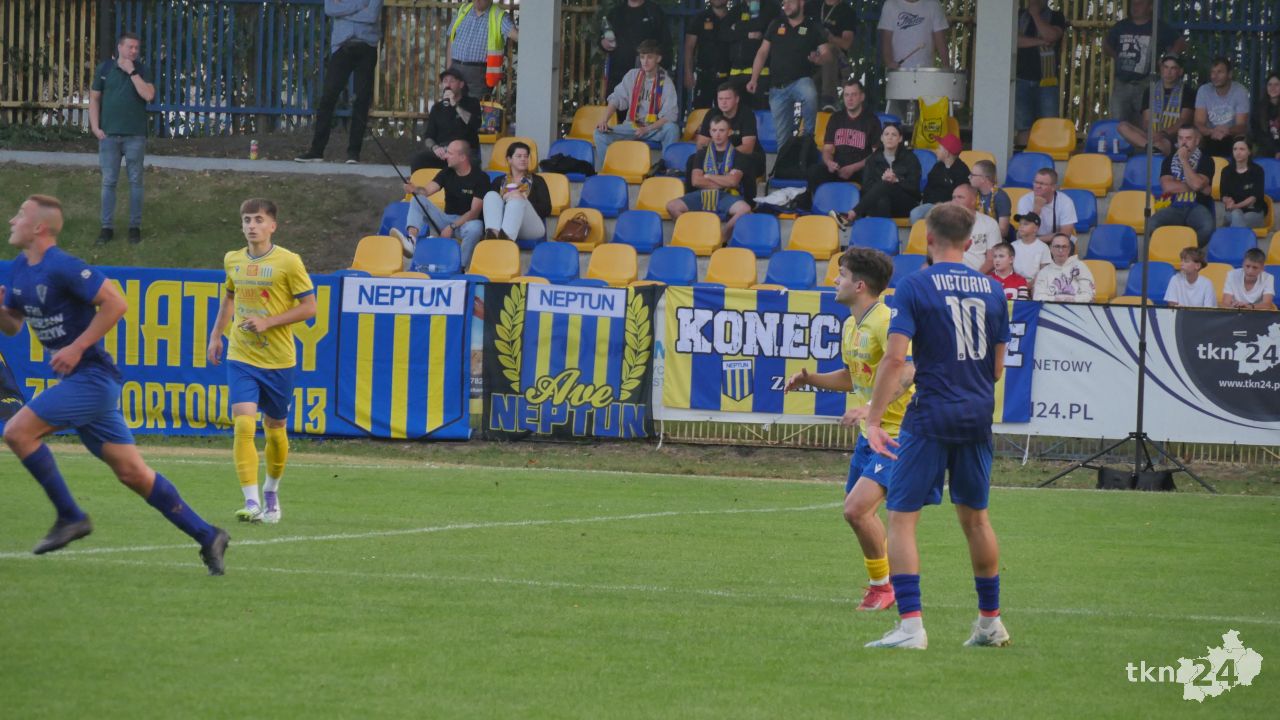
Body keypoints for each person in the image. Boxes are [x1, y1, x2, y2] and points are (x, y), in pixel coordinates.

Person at [1, 195, 228, 572]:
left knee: (17, 432)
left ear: (39, 227)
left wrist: (77, 346)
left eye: (20, 214)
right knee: (133, 474)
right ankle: (208, 535)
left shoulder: (64, 266)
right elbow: (12, 325)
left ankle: (71, 516)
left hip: (91, 379)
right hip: (84, 385)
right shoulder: (19, 269)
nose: (12, 220)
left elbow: (116, 304)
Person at [862, 203, 1012, 650]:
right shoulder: (994, 289)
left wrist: (874, 418)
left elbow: (895, 358)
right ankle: (990, 623)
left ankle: (911, 627)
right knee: (977, 520)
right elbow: (997, 369)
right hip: (977, 414)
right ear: (969, 242)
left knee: (901, 519)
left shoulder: (915, 285)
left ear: (928, 238)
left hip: (930, 414)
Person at [784, 247, 916, 613]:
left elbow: (908, 371)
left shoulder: (886, 321)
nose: (834, 280)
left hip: (898, 434)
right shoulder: (851, 324)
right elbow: (851, 376)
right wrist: (811, 379)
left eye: (841, 275)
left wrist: (872, 409)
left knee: (856, 510)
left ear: (859, 285)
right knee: (858, 513)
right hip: (869, 436)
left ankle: (884, 588)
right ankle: (888, 585)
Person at [207, 199, 317, 525]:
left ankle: (271, 490)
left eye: (258, 219)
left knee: (275, 430)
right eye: (246, 220)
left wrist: (268, 322)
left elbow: (310, 307)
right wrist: (216, 335)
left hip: (279, 359)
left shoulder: (288, 261)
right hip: (241, 355)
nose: (251, 225)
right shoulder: (233, 259)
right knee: (243, 424)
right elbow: (230, 297)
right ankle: (251, 501)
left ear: (272, 226)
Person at [295, 0, 382, 164]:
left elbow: (371, 16)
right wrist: (359, 5)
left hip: (367, 47)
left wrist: (345, 11)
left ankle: (353, 153)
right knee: (328, 96)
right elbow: (330, 9)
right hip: (342, 47)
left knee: (361, 99)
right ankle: (316, 151)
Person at [89, 32, 156, 246]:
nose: (133, 51)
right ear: (120, 47)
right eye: (130, 47)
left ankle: (134, 228)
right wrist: (95, 127)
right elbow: (94, 99)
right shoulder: (105, 69)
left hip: (135, 135)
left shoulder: (142, 70)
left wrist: (132, 72)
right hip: (109, 136)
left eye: (136, 47)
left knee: (135, 182)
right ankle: (106, 228)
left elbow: (148, 95)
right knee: (109, 182)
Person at [746, 0, 831, 149]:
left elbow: (827, 55)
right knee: (782, 140)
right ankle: (784, 161)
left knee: (810, 93)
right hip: (777, 88)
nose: (786, 5)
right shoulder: (776, 24)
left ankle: (808, 135)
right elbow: (762, 52)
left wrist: (819, 59)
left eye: (790, 2)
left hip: (801, 81)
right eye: (784, 2)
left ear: (801, 2)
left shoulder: (812, 26)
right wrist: (754, 79)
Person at [594, 39, 680, 169]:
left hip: (654, 129)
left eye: (649, 57)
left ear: (658, 58)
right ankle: (609, 170)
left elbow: (669, 116)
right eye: (642, 57)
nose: (645, 61)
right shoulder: (632, 75)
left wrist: (647, 129)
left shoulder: (666, 82)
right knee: (599, 133)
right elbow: (616, 99)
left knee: (672, 129)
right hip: (632, 126)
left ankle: (665, 168)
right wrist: (604, 120)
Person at [666, 116, 752, 244]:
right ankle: (695, 234)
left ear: (729, 132)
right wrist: (724, 180)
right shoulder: (701, 154)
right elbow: (696, 181)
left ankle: (722, 237)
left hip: (725, 195)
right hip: (702, 194)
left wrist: (709, 176)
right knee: (672, 206)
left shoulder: (738, 155)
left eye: (722, 130)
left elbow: (733, 182)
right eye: (714, 130)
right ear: (710, 132)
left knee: (745, 209)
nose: (717, 134)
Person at [399, 140, 488, 263]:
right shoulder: (446, 172)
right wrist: (414, 189)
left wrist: (451, 227)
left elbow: (474, 213)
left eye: (450, 153)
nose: (445, 156)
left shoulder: (481, 177)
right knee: (417, 199)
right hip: (445, 219)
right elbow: (426, 191)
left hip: (466, 223)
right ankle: (411, 240)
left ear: (462, 157)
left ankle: (461, 266)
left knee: (476, 227)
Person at [1103, 0, 1186, 126]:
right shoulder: (1121, 26)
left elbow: (1180, 42)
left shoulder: (1158, 27)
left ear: (1150, 7)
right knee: (1118, 125)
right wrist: (1116, 56)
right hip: (1122, 84)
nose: (1135, 7)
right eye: (1133, 4)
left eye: (1140, 4)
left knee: (1146, 125)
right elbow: (1106, 44)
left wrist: (1168, 59)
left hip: (1146, 84)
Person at [806, 79, 881, 202]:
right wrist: (829, 162)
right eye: (846, 95)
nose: (849, 99)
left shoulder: (872, 121)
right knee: (814, 171)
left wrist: (853, 168)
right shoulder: (835, 118)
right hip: (837, 169)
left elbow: (876, 154)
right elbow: (827, 149)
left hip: (860, 170)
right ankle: (820, 205)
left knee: (873, 174)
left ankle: (860, 209)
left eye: (854, 95)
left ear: (862, 97)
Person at [833, 123, 920, 226]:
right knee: (882, 199)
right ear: (882, 138)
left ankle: (852, 214)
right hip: (880, 204)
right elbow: (866, 187)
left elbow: (914, 188)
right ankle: (882, 232)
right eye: (886, 134)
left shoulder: (910, 158)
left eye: (894, 135)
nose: (890, 137)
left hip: (904, 204)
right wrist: (882, 184)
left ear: (900, 139)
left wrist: (896, 180)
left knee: (886, 184)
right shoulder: (872, 159)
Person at [1147, 125, 1216, 248]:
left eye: (1188, 138)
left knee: (1207, 228)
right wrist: (1198, 186)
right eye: (1180, 138)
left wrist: (1184, 160)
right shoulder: (1168, 160)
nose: (1184, 142)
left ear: (1196, 141)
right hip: (1173, 205)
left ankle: (1187, 250)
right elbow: (1168, 187)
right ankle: (1174, 249)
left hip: (1197, 205)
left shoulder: (1206, 160)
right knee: (1151, 225)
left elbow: (1197, 184)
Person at [694, 83, 764, 200]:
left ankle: (749, 202)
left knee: (746, 161)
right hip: (716, 156)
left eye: (727, 98)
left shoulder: (746, 114)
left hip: (743, 155)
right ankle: (695, 199)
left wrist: (725, 156)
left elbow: (748, 147)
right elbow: (701, 144)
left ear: (737, 99)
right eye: (720, 99)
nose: (723, 102)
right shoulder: (711, 114)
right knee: (693, 160)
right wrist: (718, 156)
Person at [1117, 54, 1195, 156]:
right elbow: (1146, 120)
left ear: (1180, 71)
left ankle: (1154, 148)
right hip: (1151, 136)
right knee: (1122, 126)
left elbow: (1184, 121)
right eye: (1166, 67)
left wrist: (1163, 133)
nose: (1168, 72)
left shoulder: (1188, 91)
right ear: (1161, 69)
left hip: (1173, 138)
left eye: (1173, 68)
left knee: (1161, 145)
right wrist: (1153, 134)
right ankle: (1151, 148)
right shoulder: (1150, 90)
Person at [1013, 0, 1066, 147]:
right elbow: (1013, 40)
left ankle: (1047, 160)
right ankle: (1023, 157)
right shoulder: (1019, 15)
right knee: (1023, 127)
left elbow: (1051, 36)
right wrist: (1040, 42)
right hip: (1021, 79)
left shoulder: (1056, 16)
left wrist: (1035, 15)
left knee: (1049, 126)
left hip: (1047, 81)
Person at [409, 68, 481, 173]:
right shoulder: (437, 108)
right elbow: (429, 136)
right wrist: (435, 148)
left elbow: (475, 124)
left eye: (452, 81)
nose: (448, 84)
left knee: (472, 164)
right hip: (443, 151)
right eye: (445, 81)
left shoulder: (472, 103)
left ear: (461, 84)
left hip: (464, 152)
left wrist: (455, 105)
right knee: (418, 160)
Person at [445, 0, 518, 97]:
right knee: (451, 103)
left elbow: (518, 36)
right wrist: (448, 70)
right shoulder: (463, 10)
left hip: (479, 76)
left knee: (475, 106)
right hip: (455, 71)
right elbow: (451, 40)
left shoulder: (499, 16)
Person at [482, 142, 551, 242]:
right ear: (509, 159)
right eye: (519, 156)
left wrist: (522, 199)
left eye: (526, 156)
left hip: (529, 226)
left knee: (516, 200)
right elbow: (490, 209)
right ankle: (493, 236)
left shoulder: (538, 181)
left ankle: (504, 241)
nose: (523, 159)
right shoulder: (498, 181)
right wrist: (506, 199)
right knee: (490, 195)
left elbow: (546, 209)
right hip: (501, 225)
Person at [600, 0, 670, 98]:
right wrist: (604, 43)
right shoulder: (616, 13)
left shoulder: (654, 12)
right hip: (618, 79)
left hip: (646, 81)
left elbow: (666, 46)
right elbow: (603, 39)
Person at [727, 0, 781, 109]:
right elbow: (724, 33)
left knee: (761, 111)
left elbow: (760, 24)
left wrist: (736, 26)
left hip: (762, 72)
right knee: (736, 111)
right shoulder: (736, 9)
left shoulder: (771, 7)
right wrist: (747, 34)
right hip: (736, 72)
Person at [805, 0, 857, 111]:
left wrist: (829, 38)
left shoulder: (847, 12)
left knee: (829, 49)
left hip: (835, 62)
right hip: (811, 57)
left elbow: (846, 44)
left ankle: (829, 99)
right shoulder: (811, 6)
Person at [1194, 57, 1250, 158]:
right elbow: (1199, 123)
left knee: (1241, 139)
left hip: (1232, 135)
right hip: (1210, 135)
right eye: (1213, 72)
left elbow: (1241, 126)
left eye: (1220, 72)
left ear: (1230, 74)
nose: (1215, 76)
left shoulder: (1240, 91)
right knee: (1195, 137)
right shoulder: (1204, 90)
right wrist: (1212, 131)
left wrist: (1226, 131)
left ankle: (1239, 168)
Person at [684, 0, 736, 109]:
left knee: (727, 113)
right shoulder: (700, 18)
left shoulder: (734, 17)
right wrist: (688, 72)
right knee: (701, 112)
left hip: (730, 76)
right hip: (705, 76)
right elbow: (689, 47)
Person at [909, 133, 969, 224]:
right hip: (931, 205)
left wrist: (943, 205)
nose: (936, 151)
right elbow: (929, 187)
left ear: (947, 153)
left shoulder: (962, 171)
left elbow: (961, 197)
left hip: (951, 208)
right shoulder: (938, 166)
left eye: (939, 148)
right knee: (915, 213)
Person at [877, 0, 949, 71]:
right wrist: (889, 63)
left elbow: (941, 42)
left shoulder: (933, 4)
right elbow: (886, 40)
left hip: (925, 71)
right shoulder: (890, 4)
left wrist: (946, 68)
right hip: (898, 72)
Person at [1220, 138, 1268, 229]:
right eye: (1235, 149)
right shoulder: (1226, 171)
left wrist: (1235, 206)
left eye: (1242, 149)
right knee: (1236, 215)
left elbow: (1254, 197)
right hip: (1232, 212)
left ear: (1249, 152)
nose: (1238, 152)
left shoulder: (1257, 170)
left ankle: (1230, 230)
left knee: (1237, 217)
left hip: (1254, 212)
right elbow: (1223, 194)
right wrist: (1227, 200)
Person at [1032, 233, 1095, 303]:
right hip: (1051, 308)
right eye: (1057, 246)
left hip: (1077, 308)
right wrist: (1056, 299)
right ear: (1051, 249)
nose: (1060, 250)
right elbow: (1037, 296)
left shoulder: (1080, 267)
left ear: (1069, 249)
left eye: (1064, 247)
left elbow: (1089, 294)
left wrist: (1072, 300)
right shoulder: (1044, 272)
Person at [1014, 168, 1076, 238]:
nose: (1037, 186)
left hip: (1056, 241)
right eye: (1036, 182)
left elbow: (1065, 234)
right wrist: (1036, 210)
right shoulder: (1025, 200)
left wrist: (1037, 241)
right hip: (1032, 240)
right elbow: (1024, 233)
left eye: (1042, 184)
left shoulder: (1065, 201)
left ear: (1053, 187)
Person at [952, 184, 997, 274]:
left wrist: (976, 277)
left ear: (973, 200)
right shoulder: (943, 222)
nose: (955, 201)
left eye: (960, 197)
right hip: (949, 276)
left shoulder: (989, 223)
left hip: (978, 275)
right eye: (953, 197)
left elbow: (991, 259)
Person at [969, 160, 1011, 239]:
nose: (969, 177)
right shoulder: (973, 193)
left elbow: (1003, 231)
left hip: (994, 240)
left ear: (983, 179)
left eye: (973, 175)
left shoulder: (1000, 197)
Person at [1011, 212, 1050, 282]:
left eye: (1025, 224)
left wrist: (1031, 284)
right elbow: (1008, 269)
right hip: (1015, 282)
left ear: (1035, 228)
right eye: (1020, 224)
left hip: (1036, 284)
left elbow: (1044, 272)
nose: (1021, 226)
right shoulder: (1012, 246)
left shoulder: (1043, 247)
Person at [1252, 72, 1280, 160]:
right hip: (1266, 152)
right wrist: (1276, 151)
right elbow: (1258, 134)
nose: (1272, 88)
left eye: (1276, 85)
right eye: (1269, 85)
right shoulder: (1258, 109)